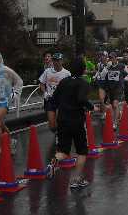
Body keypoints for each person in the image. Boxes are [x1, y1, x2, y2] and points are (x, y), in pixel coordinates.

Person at [45, 57, 94, 189]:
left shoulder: (64, 82)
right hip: (76, 120)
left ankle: (53, 162)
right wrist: (91, 107)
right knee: (82, 151)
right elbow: (82, 98)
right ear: (83, 70)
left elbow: (54, 99)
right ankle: (76, 180)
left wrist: (53, 117)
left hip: (63, 119)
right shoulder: (83, 83)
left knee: (63, 150)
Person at [39, 53, 71, 133]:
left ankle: (60, 135)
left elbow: (70, 87)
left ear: (62, 61)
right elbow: (42, 83)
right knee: (51, 124)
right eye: (55, 60)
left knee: (59, 119)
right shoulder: (47, 71)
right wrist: (45, 92)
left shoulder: (67, 73)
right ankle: (56, 132)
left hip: (61, 100)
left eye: (58, 60)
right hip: (50, 99)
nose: (56, 62)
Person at [104, 52, 128, 129]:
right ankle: (118, 115)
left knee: (115, 104)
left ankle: (115, 123)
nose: (112, 59)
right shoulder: (109, 67)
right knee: (113, 106)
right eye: (110, 58)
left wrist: (124, 80)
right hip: (111, 88)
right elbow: (105, 77)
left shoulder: (121, 66)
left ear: (116, 58)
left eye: (113, 57)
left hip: (119, 88)